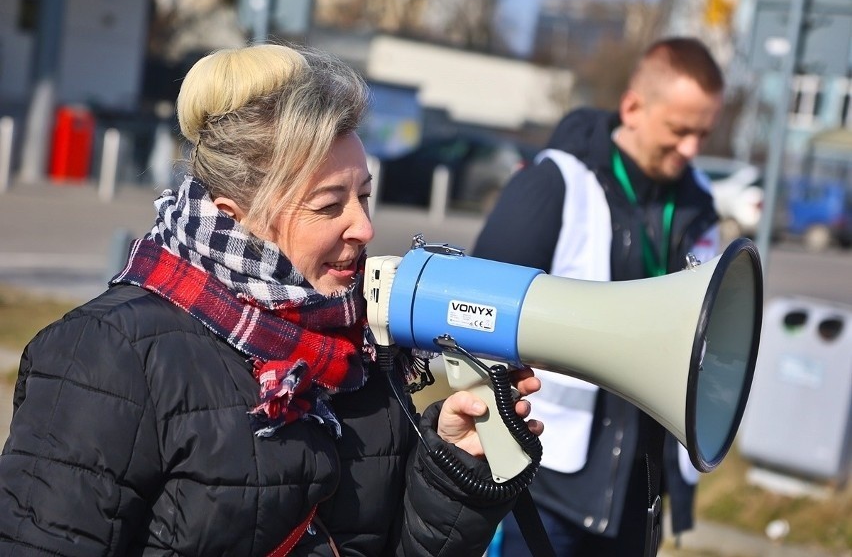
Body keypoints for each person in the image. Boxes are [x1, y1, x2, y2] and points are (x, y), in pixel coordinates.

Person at [0, 43, 543, 556]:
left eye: (364, 196)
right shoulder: (107, 354)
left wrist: (456, 472)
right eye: (330, 206)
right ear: (235, 216)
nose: (364, 227)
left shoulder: (364, 351)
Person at [473, 36, 725, 556]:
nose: (692, 149)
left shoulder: (700, 204)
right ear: (633, 107)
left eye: (703, 133)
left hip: (644, 484)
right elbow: (477, 309)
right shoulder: (556, 184)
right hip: (551, 479)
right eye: (679, 130)